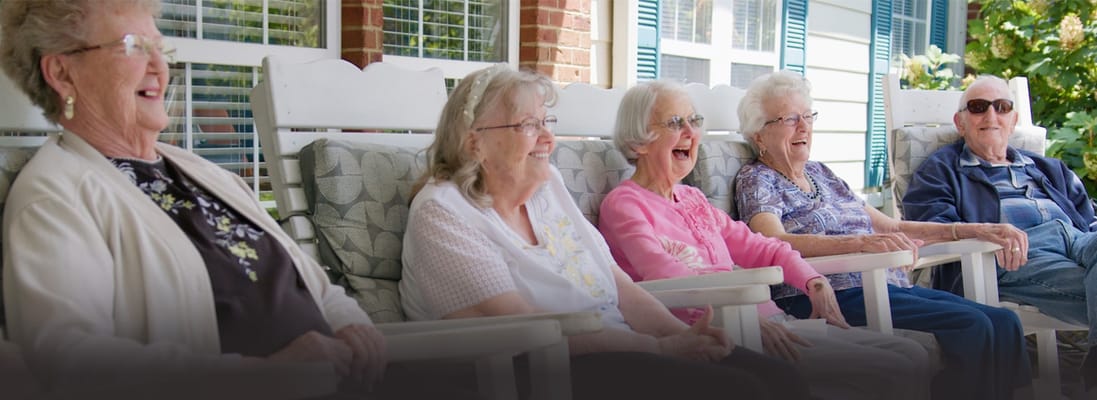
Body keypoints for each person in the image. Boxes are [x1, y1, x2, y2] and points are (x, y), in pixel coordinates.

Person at [0, 1, 390, 398]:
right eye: (134, 47)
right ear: (62, 72)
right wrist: (269, 374)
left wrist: (351, 326)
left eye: (160, 49)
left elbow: (313, 283)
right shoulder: (54, 198)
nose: (160, 67)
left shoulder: (206, 175)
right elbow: (74, 363)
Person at [398, 64, 811, 400]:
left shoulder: (547, 188)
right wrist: (662, 348)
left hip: (620, 348)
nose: (548, 138)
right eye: (528, 125)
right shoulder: (443, 211)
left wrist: (683, 336)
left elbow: (616, 283)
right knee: (741, 390)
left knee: (783, 379)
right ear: (475, 144)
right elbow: (525, 329)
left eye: (547, 122)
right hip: (546, 373)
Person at [596, 80, 931, 400]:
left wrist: (812, 281)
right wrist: (740, 317)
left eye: (694, 121)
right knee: (895, 368)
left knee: (911, 353)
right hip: (720, 332)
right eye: (674, 122)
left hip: (771, 322)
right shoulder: (625, 205)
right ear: (639, 141)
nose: (690, 132)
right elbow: (664, 277)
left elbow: (758, 245)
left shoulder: (692, 198)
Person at [733, 70, 1032, 400]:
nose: (804, 127)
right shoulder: (757, 179)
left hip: (886, 283)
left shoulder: (821, 173)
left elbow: (891, 226)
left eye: (807, 116)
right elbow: (774, 242)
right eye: (790, 119)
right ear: (760, 135)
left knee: (1004, 321)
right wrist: (861, 244)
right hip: (832, 291)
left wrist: (972, 229)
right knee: (972, 325)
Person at [903, 75, 1097, 376]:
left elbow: (1089, 218)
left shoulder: (1046, 167)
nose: (991, 116)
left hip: (1075, 241)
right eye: (979, 107)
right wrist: (987, 234)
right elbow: (930, 228)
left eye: (1002, 107)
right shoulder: (940, 170)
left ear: (1013, 119)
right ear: (960, 122)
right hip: (1011, 256)